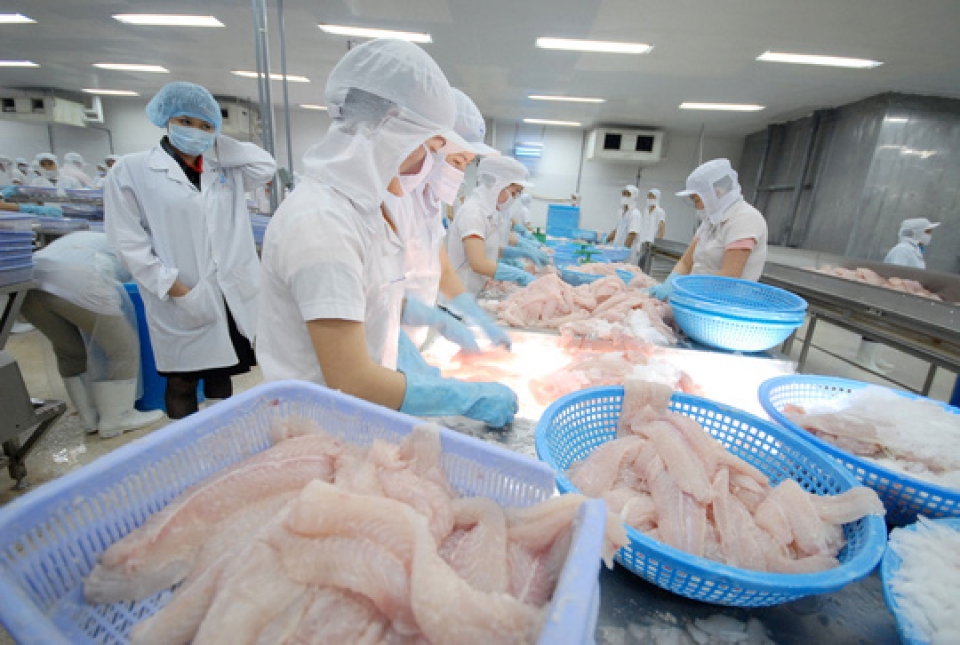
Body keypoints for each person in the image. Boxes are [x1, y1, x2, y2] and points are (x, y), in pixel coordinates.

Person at [256, 38, 518, 428]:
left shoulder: (369, 210)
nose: (428, 164)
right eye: (428, 147)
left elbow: (373, 301)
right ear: (390, 131)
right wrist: (462, 396)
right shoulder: (321, 223)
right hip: (316, 428)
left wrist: (416, 336)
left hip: (355, 420)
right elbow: (352, 381)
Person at [105, 81, 276, 419]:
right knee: (182, 379)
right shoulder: (132, 169)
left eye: (205, 126)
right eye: (186, 121)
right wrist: (172, 286)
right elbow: (126, 238)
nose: (195, 132)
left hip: (228, 290)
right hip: (179, 289)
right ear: (166, 119)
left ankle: (218, 437)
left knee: (222, 371)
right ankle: (182, 441)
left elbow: (264, 165)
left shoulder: (222, 167)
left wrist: (216, 144)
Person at [395, 88, 511, 355]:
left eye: (466, 164)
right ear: (430, 149)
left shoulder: (429, 203)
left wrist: (474, 314)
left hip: (410, 337)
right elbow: (370, 293)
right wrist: (436, 318)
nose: (459, 173)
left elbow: (444, 269)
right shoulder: (393, 200)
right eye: (457, 161)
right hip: (381, 338)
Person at [19, 232, 165, 438]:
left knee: (70, 351)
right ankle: (118, 418)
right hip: (78, 278)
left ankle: (89, 417)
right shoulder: (141, 248)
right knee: (122, 347)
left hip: (29, 285)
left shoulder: (99, 238)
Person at [650, 159, 767, 300]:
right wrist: (669, 284)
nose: (696, 206)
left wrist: (685, 288)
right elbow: (686, 262)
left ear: (716, 192)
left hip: (724, 304)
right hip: (697, 298)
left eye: (696, 199)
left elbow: (729, 276)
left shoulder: (745, 219)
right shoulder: (710, 221)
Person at [447, 156, 538, 294]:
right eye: (513, 192)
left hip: (473, 289)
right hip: (459, 293)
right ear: (498, 185)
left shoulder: (489, 212)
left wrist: (516, 253)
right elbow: (478, 263)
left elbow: (487, 249)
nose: (514, 198)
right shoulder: (473, 213)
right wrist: (519, 274)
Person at [606, 185, 643, 261]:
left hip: (626, 253)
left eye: (628, 194)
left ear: (634, 197)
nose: (625, 196)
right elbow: (616, 230)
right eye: (624, 194)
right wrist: (605, 241)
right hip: (617, 249)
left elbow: (632, 234)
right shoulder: (621, 212)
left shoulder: (635, 214)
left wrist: (623, 252)